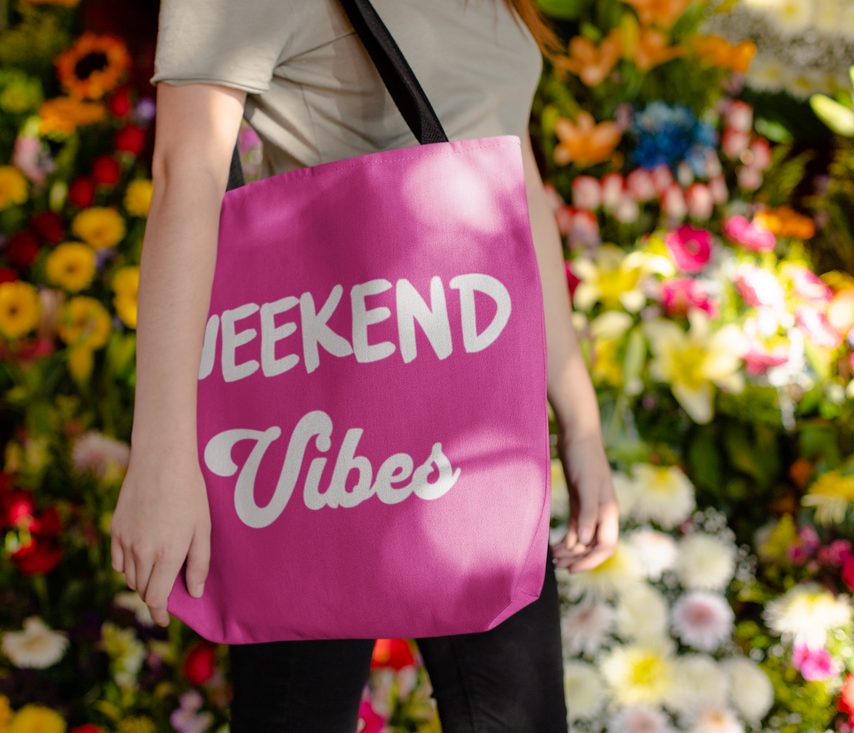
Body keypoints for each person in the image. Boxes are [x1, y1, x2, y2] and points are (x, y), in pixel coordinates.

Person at [109, 0, 619, 729]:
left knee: (518, 714)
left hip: (475, 412)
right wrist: (163, 457)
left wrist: (579, 420)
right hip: (315, 419)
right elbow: (184, 175)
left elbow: (514, 185)